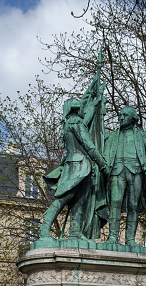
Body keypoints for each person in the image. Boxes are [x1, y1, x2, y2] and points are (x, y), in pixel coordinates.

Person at [39, 98, 108, 240]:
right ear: (78, 109)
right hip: (78, 165)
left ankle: (75, 232)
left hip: (79, 165)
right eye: (83, 108)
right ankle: (44, 228)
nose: (85, 110)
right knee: (65, 198)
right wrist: (103, 164)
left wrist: (94, 106)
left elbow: (85, 123)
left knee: (80, 200)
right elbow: (89, 145)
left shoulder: (71, 122)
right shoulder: (75, 122)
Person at [103, 106, 146, 246]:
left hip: (136, 172)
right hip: (117, 171)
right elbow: (105, 156)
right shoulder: (111, 136)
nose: (121, 118)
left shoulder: (142, 136)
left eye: (125, 115)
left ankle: (130, 240)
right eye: (120, 115)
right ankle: (113, 237)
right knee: (115, 204)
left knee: (133, 206)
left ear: (132, 118)